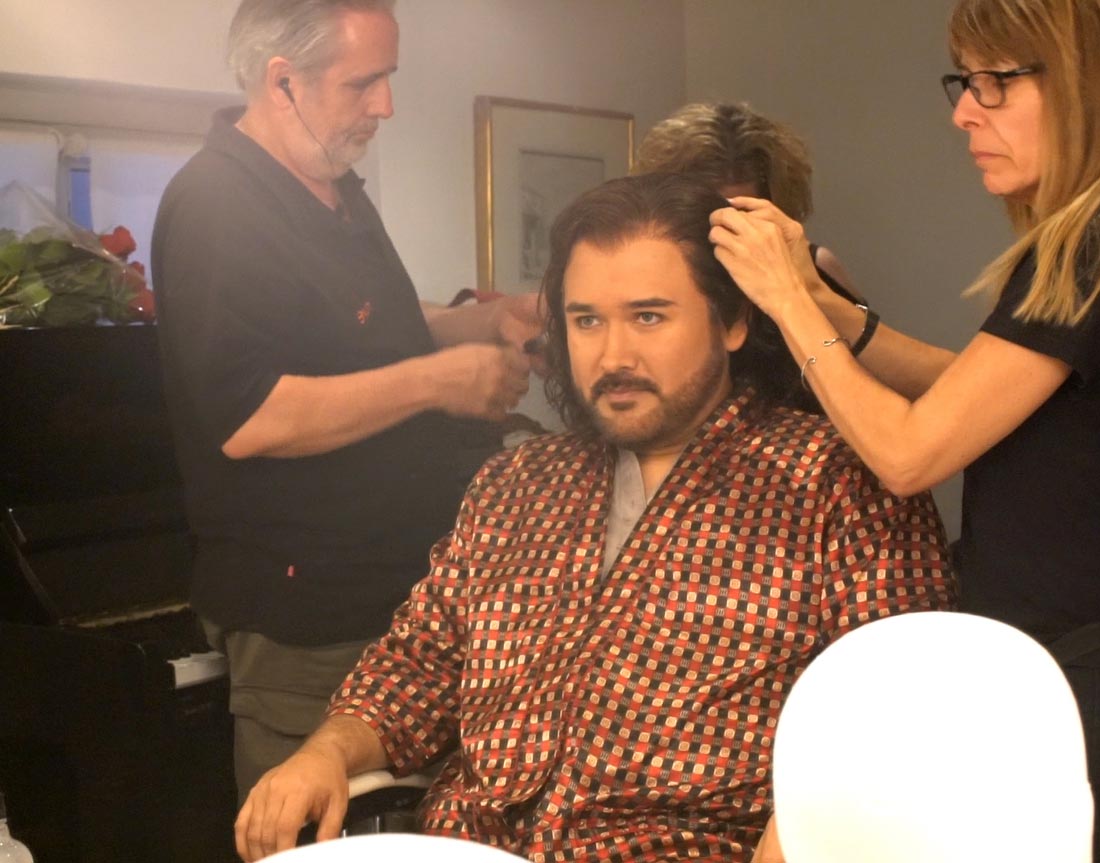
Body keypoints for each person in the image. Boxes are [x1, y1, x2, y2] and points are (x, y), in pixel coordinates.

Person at [232, 173, 955, 862]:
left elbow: (901, 715)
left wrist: (813, 821)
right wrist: (325, 752)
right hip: (467, 845)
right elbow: (420, 664)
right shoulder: (516, 483)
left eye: (649, 316)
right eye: (586, 321)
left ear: (733, 322)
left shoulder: (836, 485)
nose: (613, 355)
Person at [708, 0, 1100, 859]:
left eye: (996, 82)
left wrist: (786, 304)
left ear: (1087, 85)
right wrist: (827, 307)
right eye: (964, 82)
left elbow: (908, 453)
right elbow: (969, 391)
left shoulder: (1098, 245)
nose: (965, 111)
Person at [151, 0, 540, 802]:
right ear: (283, 82)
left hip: (399, 599)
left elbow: (370, 324)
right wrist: (440, 380)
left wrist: (486, 321)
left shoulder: (336, 187)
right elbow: (249, 415)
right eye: (363, 82)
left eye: (387, 78)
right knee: (316, 828)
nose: (385, 105)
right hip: (310, 622)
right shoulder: (215, 203)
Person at [634, 102, 862, 305]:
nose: (724, 232)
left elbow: (863, 338)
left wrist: (808, 291)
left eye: (744, 214)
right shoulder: (643, 273)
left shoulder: (812, 269)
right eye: (708, 216)